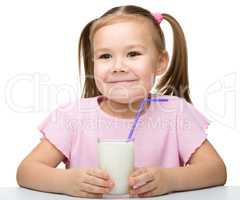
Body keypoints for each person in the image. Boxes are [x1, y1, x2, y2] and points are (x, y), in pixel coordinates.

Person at [16, 5, 227, 198]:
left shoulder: (175, 113)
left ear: (160, 62)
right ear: (92, 65)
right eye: (105, 56)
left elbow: (216, 170)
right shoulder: (73, 116)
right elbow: (27, 171)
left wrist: (170, 180)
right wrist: (68, 182)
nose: (118, 66)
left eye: (133, 54)